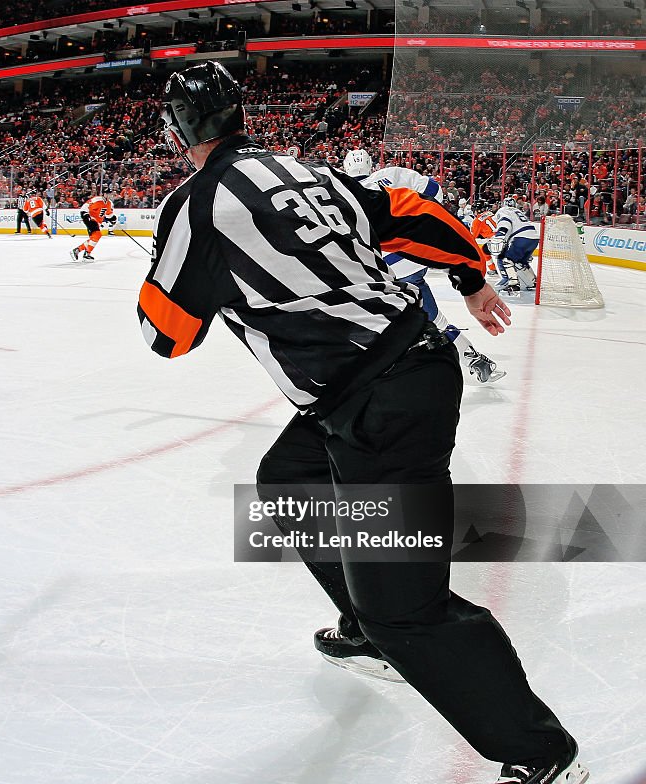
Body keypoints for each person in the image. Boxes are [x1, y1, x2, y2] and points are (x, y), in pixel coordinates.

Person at [139, 62, 586, 784]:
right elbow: (410, 210)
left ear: (177, 132)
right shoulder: (304, 170)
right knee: (287, 479)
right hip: (394, 375)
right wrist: (470, 278)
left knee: (406, 609)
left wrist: (176, 286)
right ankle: (366, 626)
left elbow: (168, 335)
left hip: (381, 400)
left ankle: (540, 751)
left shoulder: (192, 207)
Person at [342, 149, 503, 383]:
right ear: (370, 164)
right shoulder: (390, 174)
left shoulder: (339, 188)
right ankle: (472, 359)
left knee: (381, 322)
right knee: (430, 315)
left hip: (378, 266)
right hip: (414, 257)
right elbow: (434, 192)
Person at [490, 196, 539, 293]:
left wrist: (500, 235)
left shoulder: (503, 210)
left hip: (521, 237)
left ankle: (513, 284)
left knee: (507, 261)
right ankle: (533, 282)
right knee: (521, 262)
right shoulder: (518, 211)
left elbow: (505, 221)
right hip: (534, 237)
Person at [69, 193, 116, 262]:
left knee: (93, 238)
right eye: (108, 194)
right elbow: (84, 207)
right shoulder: (96, 199)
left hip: (98, 222)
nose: (109, 195)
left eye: (110, 194)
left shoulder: (109, 203)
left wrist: (113, 218)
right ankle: (87, 254)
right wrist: (85, 215)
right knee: (97, 235)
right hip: (91, 219)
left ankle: (77, 250)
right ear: (104, 194)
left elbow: (108, 214)